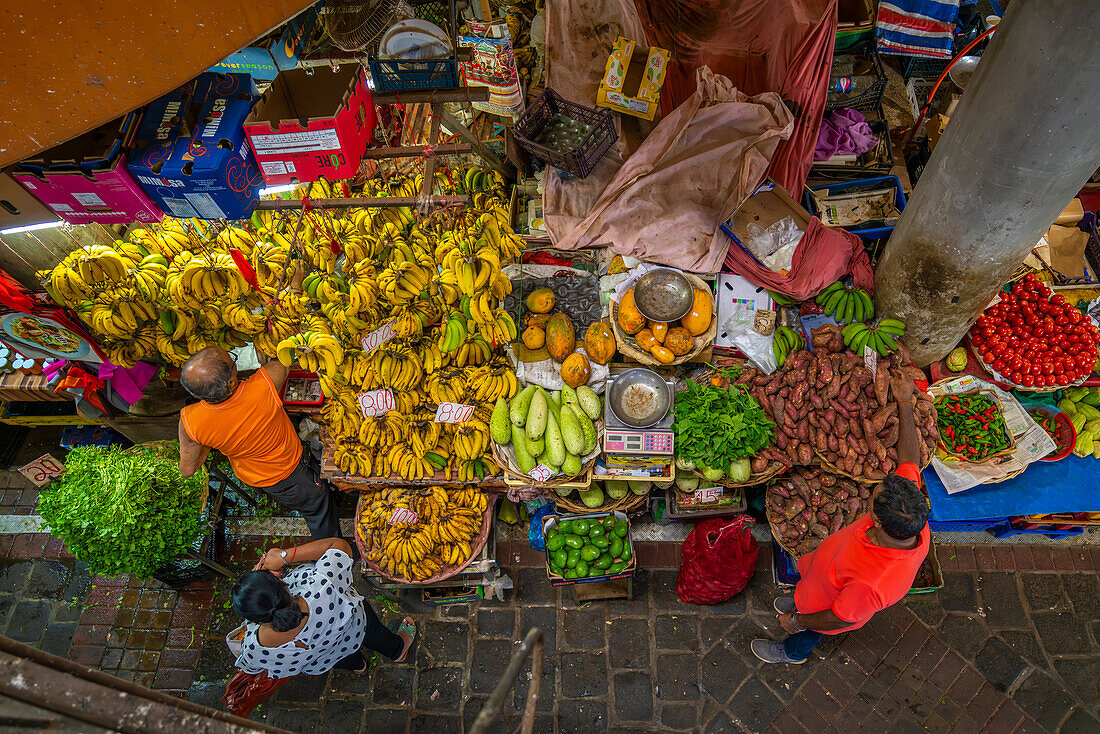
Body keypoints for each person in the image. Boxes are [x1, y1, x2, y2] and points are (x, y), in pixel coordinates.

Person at [751, 370, 930, 664]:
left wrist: (798, 622)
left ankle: (791, 652)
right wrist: (905, 402)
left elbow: (839, 619)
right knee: (804, 592)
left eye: (872, 501)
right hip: (820, 579)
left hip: (822, 612)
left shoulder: (872, 584)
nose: (871, 495)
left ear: (880, 522)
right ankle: (797, 601)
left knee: (806, 633)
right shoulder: (908, 511)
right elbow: (910, 460)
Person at [177, 346, 340, 541]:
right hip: (293, 475)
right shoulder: (262, 386)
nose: (235, 365)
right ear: (230, 382)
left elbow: (187, 468)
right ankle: (335, 552)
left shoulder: (189, 421)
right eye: (233, 363)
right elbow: (283, 360)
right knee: (318, 511)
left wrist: (210, 439)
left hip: (256, 478)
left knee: (309, 497)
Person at [232, 537, 415, 677]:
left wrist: (256, 594)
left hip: (326, 657)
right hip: (356, 626)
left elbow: (251, 667)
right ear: (282, 583)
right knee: (376, 635)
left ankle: (360, 666)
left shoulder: (254, 647)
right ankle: (397, 651)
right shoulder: (322, 585)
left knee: (345, 658)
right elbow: (339, 547)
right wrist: (283, 556)